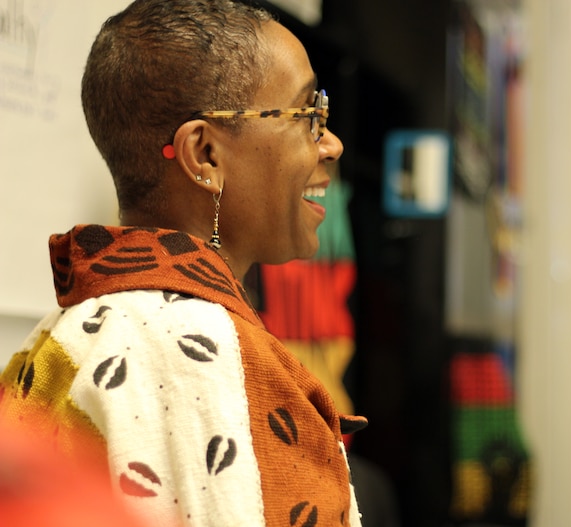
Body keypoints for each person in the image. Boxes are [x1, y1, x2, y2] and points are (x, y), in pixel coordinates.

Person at [0, 1, 367, 526]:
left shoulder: (62, 333)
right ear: (204, 155)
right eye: (307, 114)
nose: (331, 143)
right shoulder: (211, 362)